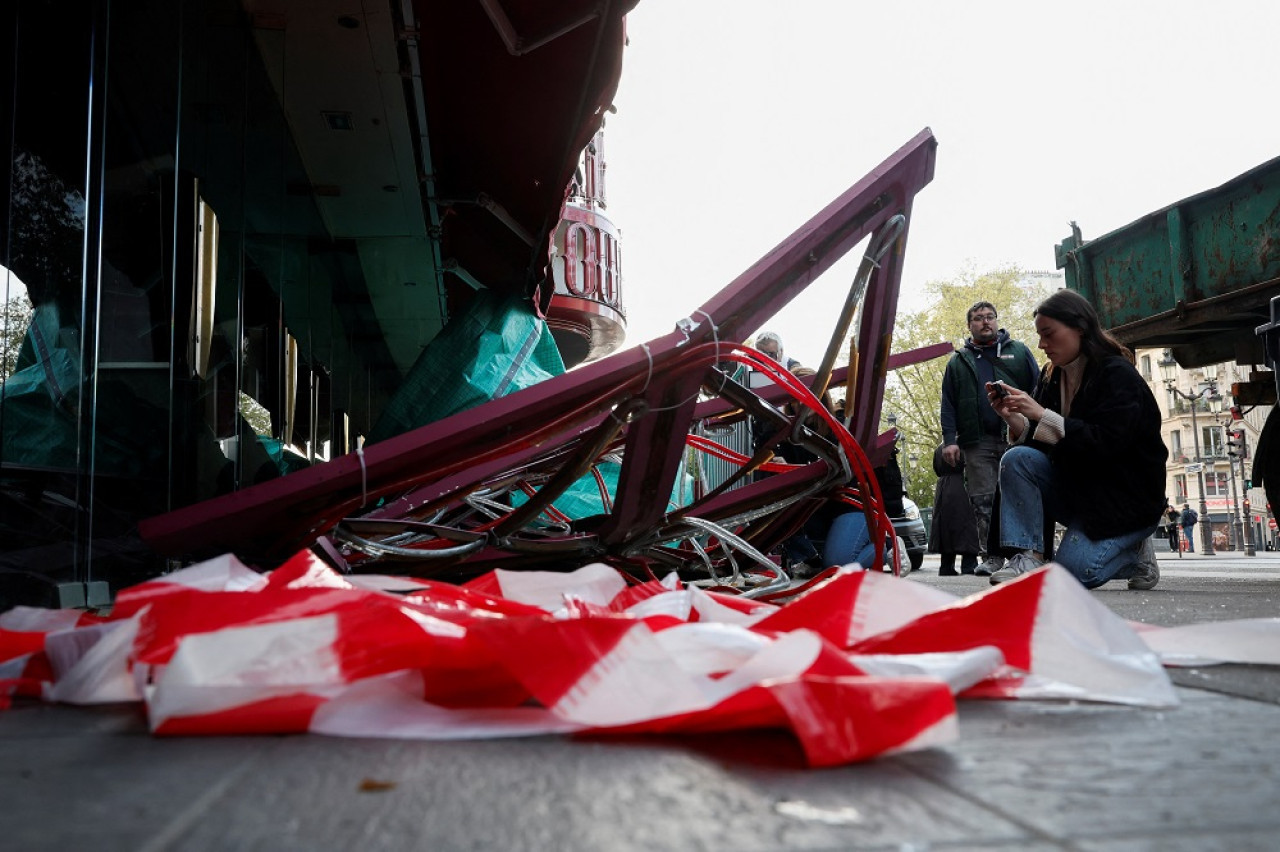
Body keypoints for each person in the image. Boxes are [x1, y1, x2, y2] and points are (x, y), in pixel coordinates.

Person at [983, 289, 1165, 590]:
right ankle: (1029, 556)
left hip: (1125, 499)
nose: (1042, 344)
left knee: (1076, 574)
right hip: (1084, 493)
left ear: (1080, 329)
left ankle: (1134, 551)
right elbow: (1042, 446)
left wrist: (1041, 414)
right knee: (1016, 458)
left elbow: (1106, 443)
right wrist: (1011, 416)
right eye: (1040, 335)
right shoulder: (1051, 375)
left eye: (1049, 334)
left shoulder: (1118, 375)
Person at [939, 301, 1040, 577]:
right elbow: (948, 403)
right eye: (979, 318)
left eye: (990, 317)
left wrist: (1036, 424)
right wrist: (950, 440)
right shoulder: (958, 361)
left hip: (1017, 436)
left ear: (997, 320)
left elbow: (1038, 388)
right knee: (983, 500)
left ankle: (1023, 554)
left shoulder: (1019, 351)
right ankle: (991, 556)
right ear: (969, 325)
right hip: (976, 442)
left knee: (1017, 495)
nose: (986, 322)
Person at [927, 444, 980, 575]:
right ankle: (969, 564)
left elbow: (937, 469)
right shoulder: (963, 446)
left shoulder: (939, 449)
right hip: (961, 486)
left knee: (945, 526)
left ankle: (946, 566)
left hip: (943, 488)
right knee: (966, 524)